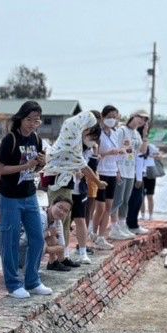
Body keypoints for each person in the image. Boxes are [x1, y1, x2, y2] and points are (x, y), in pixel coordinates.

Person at [0, 100, 52, 299]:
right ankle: (12, 284)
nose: (32, 124)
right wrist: (25, 166)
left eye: (36, 121)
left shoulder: (36, 139)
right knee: (10, 241)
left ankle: (33, 280)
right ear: (21, 118)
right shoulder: (10, 140)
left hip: (30, 195)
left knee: (37, 238)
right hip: (10, 197)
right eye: (29, 119)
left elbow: (34, 169)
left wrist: (39, 165)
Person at [43, 109, 105, 264]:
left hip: (66, 181)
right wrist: (98, 183)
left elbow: (83, 166)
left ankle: (62, 256)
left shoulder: (72, 133)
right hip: (60, 182)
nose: (89, 131)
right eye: (89, 127)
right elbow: (84, 166)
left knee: (64, 220)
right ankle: (55, 259)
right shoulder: (71, 139)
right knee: (57, 219)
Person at [109, 111, 147, 240]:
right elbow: (115, 148)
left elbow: (142, 151)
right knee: (117, 200)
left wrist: (145, 135)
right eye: (140, 117)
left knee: (125, 201)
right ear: (133, 116)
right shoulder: (122, 131)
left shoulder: (136, 134)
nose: (142, 120)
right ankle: (113, 227)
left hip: (131, 170)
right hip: (121, 168)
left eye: (145, 119)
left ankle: (122, 225)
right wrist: (117, 170)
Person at [92, 105, 125, 247]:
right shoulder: (98, 134)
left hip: (112, 171)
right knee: (100, 206)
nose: (112, 119)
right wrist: (107, 153)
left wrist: (118, 170)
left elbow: (116, 153)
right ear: (103, 116)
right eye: (109, 116)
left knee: (108, 207)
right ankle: (92, 231)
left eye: (114, 117)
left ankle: (101, 236)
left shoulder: (115, 133)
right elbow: (95, 156)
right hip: (101, 172)